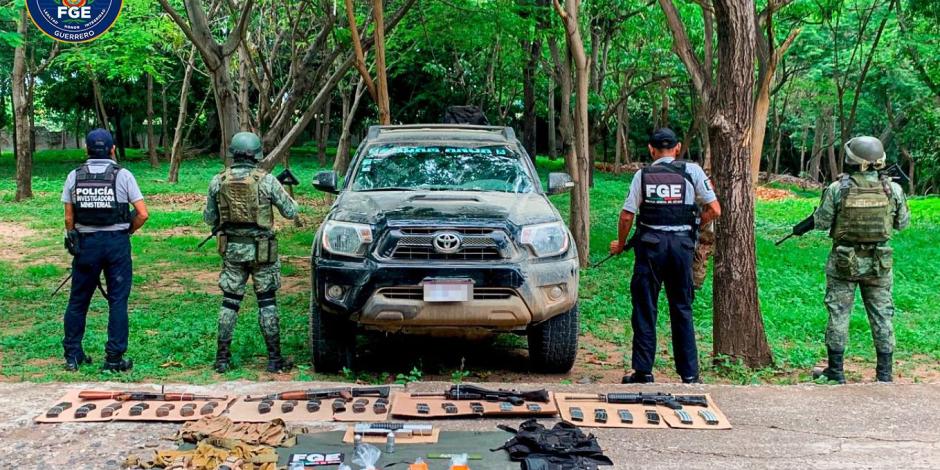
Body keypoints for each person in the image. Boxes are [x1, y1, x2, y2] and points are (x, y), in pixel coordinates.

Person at [609, 128, 721, 384]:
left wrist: (621, 244)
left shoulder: (643, 175)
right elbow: (715, 209)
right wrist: (694, 224)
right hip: (681, 249)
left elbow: (627, 215)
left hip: (650, 249)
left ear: (651, 149)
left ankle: (643, 371)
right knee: (682, 308)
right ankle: (690, 374)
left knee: (645, 308)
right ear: (677, 148)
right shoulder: (692, 172)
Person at [806, 136, 909, 383]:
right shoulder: (892, 189)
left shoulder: (838, 189)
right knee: (882, 315)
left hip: (844, 262)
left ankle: (836, 373)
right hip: (879, 264)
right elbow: (902, 224)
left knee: (839, 315)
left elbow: (821, 222)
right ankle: (884, 375)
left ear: (852, 159)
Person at [204, 132, 299, 373]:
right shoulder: (266, 181)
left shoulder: (218, 180)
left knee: (229, 303)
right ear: (257, 154)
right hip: (262, 253)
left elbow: (209, 218)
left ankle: (222, 358)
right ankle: (274, 359)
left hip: (233, 251)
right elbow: (290, 211)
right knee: (267, 302)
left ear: (233, 153)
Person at [60, 128, 149, 372]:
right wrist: (126, 230)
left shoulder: (74, 176)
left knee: (78, 301)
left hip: (86, 245)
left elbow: (69, 219)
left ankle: (72, 355)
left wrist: (74, 238)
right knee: (118, 301)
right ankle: (113, 359)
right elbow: (143, 214)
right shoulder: (123, 175)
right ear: (112, 150)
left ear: (86, 150)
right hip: (116, 245)